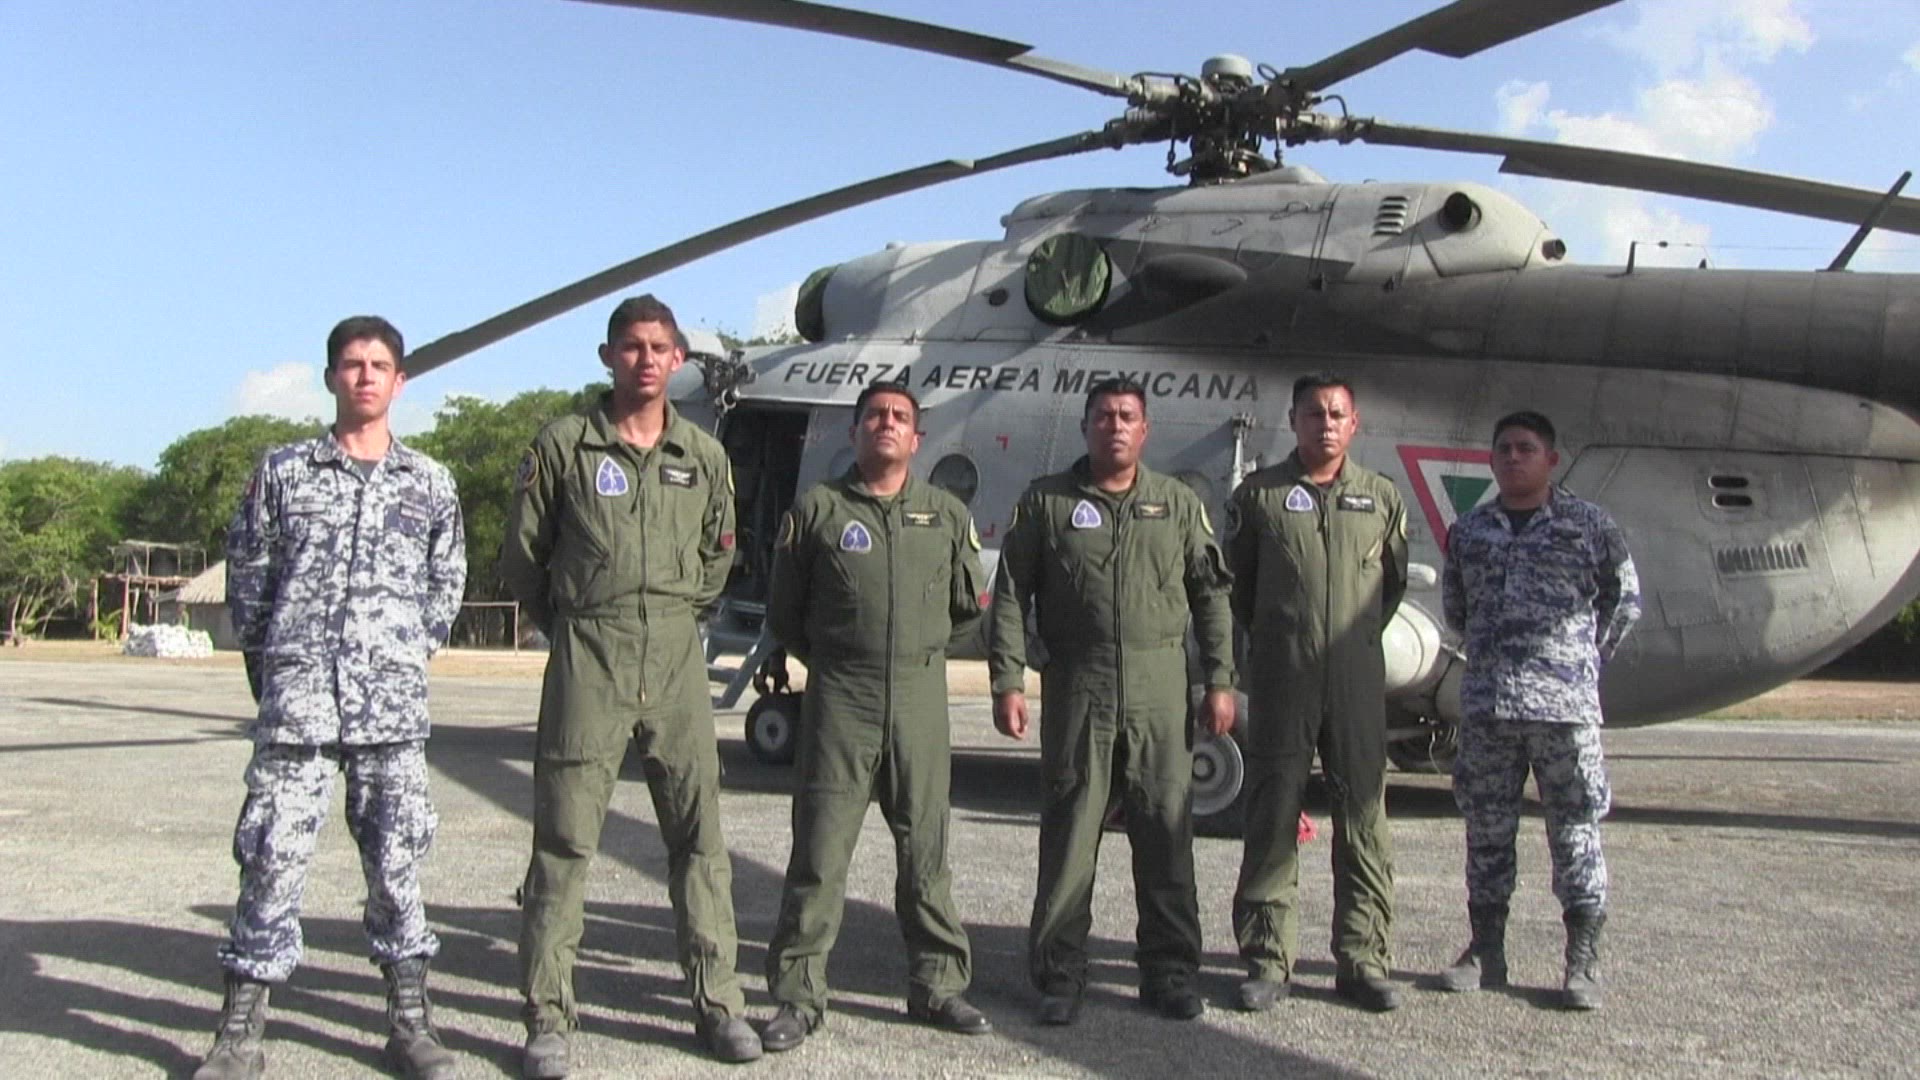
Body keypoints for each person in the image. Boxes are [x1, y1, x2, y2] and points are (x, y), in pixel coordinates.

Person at [198, 315, 467, 1080]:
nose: (365, 375)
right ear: (330, 378)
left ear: (400, 381)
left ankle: (410, 1022)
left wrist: (404, 654)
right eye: (352, 364)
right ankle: (240, 1032)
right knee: (270, 863)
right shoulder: (283, 473)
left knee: (397, 868)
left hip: (391, 714)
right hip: (300, 708)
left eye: (380, 365)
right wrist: (278, 670)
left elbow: (446, 584)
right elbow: (249, 582)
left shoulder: (430, 482)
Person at [498, 295, 760, 1075]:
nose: (646, 359)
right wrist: (577, 622)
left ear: (678, 359)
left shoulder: (702, 454)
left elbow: (719, 553)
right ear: (607, 356)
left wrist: (673, 614)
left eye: (659, 347)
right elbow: (523, 557)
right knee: (565, 839)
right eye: (632, 346)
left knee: (699, 838)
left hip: (675, 654)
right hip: (590, 652)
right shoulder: (564, 446)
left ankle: (718, 1003)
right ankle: (548, 1016)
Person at [988, 376, 1236, 1026]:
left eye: (1127, 416)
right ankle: (1059, 975)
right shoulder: (1046, 503)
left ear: (1145, 430)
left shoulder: (1177, 504)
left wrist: (1219, 679)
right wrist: (1007, 681)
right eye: (1104, 416)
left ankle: (1170, 973)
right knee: (1071, 834)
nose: (1116, 426)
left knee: (1166, 833)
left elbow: (1211, 596)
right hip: (1079, 684)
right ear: (1085, 427)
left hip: (1160, 689)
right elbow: (1011, 595)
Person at [757, 381, 993, 1051]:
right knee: (819, 852)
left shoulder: (946, 515)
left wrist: (915, 651)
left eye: (900, 417)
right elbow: (786, 614)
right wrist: (840, 659)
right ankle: (798, 996)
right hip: (841, 697)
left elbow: (965, 610)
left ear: (917, 439)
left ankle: (937, 985)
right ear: (854, 431)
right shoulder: (819, 510)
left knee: (926, 853)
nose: (887, 423)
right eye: (875, 415)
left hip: (920, 697)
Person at [1436, 410, 1641, 1010]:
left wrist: (1579, 660)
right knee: (1486, 830)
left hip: (1564, 712)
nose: (1513, 458)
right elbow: (1456, 608)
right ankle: (1486, 951)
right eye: (1503, 449)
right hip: (1489, 707)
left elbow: (1625, 600)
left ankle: (1582, 961)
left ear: (1551, 459)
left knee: (1575, 830)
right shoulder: (1471, 531)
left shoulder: (1588, 525)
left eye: (1526, 449)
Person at [1228, 372, 1409, 1014]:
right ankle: (1267, 959)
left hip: (1355, 681)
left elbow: (1390, 587)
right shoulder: (1260, 497)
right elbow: (1241, 588)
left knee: (1364, 820)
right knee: (1272, 815)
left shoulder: (1381, 497)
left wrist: (1348, 643)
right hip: (1284, 677)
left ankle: (1363, 960)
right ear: (1294, 421)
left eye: (1336, 414)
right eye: (1313, 413)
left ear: (1353, 424)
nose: (1325, 424)